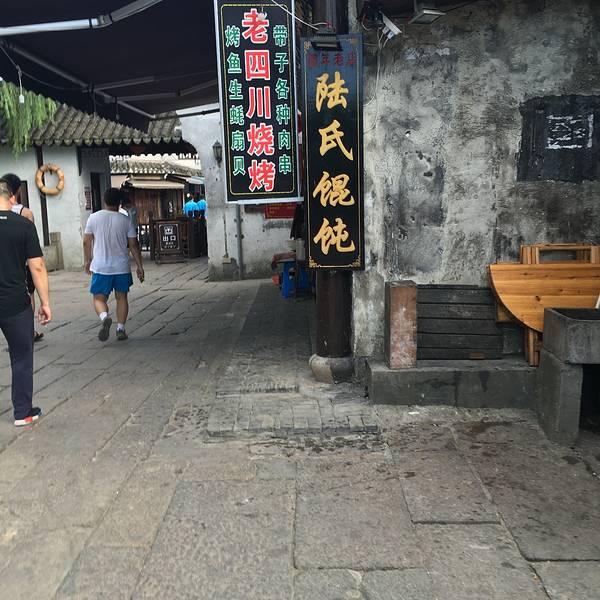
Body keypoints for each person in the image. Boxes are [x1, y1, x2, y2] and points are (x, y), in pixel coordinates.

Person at [0, 179, 52, 426]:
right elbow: (37, 266)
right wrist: (45, 302)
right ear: (12, 198)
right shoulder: (23, 225)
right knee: (21, 356)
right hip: (15, 303)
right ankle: (22, 412)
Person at [83, 188, 144, 342]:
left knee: (99, 299)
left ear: (104, 200)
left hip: (101, 267)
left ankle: (105, 317)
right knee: (122, 297)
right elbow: (133, 244)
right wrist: (139, 266)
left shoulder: (93, 218)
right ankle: (120, 328)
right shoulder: (125, 220)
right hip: (121, 267)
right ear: (120, 203)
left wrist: (87, 260)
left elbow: (86, 241)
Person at [1, 173, 45, 343]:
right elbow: (35, 256)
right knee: (29, 294)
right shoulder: (25, 214)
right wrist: (45, 302)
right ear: (16, 193)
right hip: (22, 267)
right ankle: (28, 329)